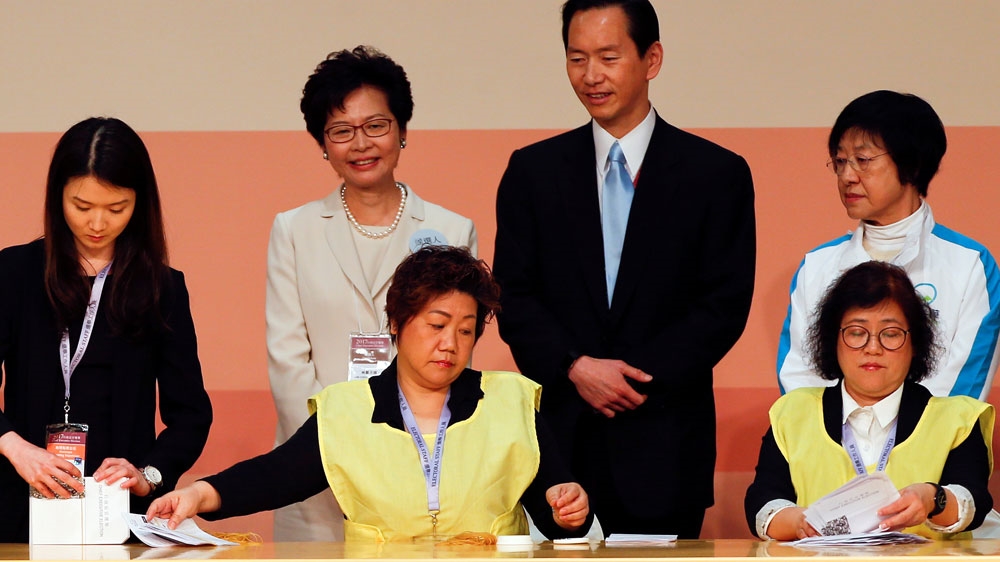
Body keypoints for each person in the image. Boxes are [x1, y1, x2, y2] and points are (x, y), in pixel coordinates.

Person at [492, 0, 755, 538]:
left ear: (651, 58)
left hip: (666, 444)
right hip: (559, 454)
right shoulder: (533, 171)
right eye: (577, 58)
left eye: (608, 57)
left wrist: (628, 377)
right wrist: (575, 366)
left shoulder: (715, 173)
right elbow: (513, 297)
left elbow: (722, 306)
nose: (591, 76)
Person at [148, 246, 591, 542]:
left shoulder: (511, 401)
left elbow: (557, 508)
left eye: (466, 330)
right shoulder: (346, 409)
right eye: (437, 326)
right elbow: (276, 475)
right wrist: (197, 495)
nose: (451, 344)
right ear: (398, 322)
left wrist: (570, 509)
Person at [266, 46, 476, 541]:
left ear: (403, 130)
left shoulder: (450, 229)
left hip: (420, 469)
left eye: (376, 126)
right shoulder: (294, 229)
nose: (361, 144)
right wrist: (338, 451)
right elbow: (287, 358)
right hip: (317, 474)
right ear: (323, 143)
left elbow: (451, 351)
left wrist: (392, 455)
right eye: (341, 131)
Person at [0, 117, 213, 542]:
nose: (98, 223)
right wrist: (14, 446)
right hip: (16, 503)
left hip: (115, 513)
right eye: (82, 206)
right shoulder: (14, 272)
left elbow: (191, 414)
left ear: (140, 204)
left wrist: (148, 475)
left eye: (117, 209)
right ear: (57, 196)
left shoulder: (162, 287)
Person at [777, 90, 1000, 400]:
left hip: (934, 446)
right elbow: (799, 379)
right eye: (840, 161)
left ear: (913, 165)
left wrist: (890, 439)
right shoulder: (817, 265)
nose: (847, 176)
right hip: (829, 445)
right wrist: (847, 440)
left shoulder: (970, 264)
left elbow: (961, 390)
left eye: (863, 160)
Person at [747, 261, 993, 540]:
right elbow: (763, 501)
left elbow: (974, 500)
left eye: (890, 334)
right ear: (833, 340)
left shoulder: (957, 419)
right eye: (856, 333)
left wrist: (931, 499)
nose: (872, 348)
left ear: (915, 345)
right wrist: (798, 523)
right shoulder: (792, 413)